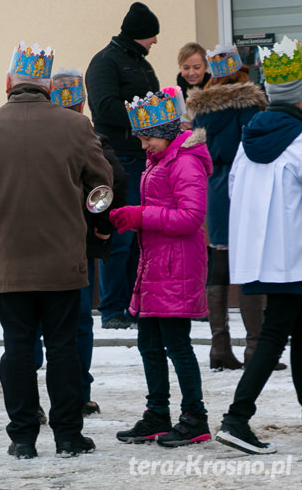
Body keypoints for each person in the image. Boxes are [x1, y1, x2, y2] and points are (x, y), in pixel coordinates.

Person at [0, 42, 112, 459]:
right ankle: (67, 435)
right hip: (63, 258)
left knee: (18, 348)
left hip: (7, 259)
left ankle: (23, 438)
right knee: (63, 347)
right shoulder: (76, 127)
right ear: (48, 88)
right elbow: (102, 187)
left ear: (8, 83)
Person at [215, 35, 302, 455]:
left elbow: (235, 191)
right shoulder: (299, 140)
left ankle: (238, 417)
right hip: (294, 260)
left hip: (267, 259)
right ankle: (236, 418)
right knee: (274, 338)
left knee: (289, 334)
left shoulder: (250, 140)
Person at [111, 87, 212, 448]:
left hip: (177, 267)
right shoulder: (161, 159)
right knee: (149, 344)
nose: (143, 146)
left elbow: (191, 216)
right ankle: (157, 413)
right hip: (157, 264)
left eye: (148, 137)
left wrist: (140, 216)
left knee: (176, 345)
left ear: (167, 133)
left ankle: (194, 416)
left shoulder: (184, 162)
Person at [186, 45, 278, 371]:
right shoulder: (251, 103)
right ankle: (256, 348)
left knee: (219, 261)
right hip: (244, 188)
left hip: (213, 189)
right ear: (241, 70)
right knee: (251, 264)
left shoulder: (200, 109)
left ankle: (219, 346)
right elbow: (257, 147)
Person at [50, 68, 128, 416]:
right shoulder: (88, 136)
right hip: (78, 245)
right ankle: (79, 393)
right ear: (81, 104)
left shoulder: (31, 135)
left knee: (31, 324)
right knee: (79, 320)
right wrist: (101, 223)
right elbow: (116, 177)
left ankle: (33, 400)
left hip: (33, 241)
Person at [86, 1, 161, 329]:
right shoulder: (105, 62)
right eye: (152, 35)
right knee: (120, 237)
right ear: (139, 35)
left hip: (146, 159)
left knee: (138, 236)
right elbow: (103, 108)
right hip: (120, 159)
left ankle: (134, 305)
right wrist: (146, 116)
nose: (155, 41)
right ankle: (113, 308)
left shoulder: (141, 64)